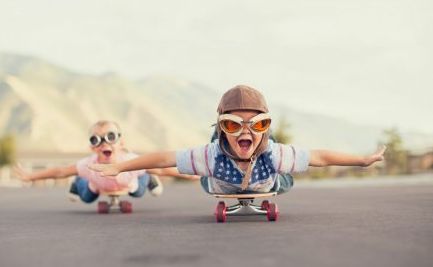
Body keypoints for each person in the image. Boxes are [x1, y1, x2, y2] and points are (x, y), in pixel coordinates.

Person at [87, 85, 386, 196]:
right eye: (232, 123)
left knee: (283, 173)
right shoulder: (209, 157)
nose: (245, 131)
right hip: (218, 179)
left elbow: (320, 157)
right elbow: (164, 158)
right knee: (209, 164)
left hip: (267, 179)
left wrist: (361, 160)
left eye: (257, 124)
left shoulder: (276, 156)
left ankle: (259, 134)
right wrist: (120, 167)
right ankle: (224, 134)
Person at [13, 120, 195, 203]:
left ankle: (148, 178)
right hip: (97, 186)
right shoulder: (88, 165)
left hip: (129, 183)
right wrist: (31, 177)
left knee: (139, 190)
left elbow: (163, 169)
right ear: (92, 147)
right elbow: (61, 171)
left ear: (121, 143)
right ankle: (78, 183)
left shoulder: (131, 161)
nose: (104, 143)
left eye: (110, 137)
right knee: (86, 197)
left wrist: (192, 174)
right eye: (96, 140)